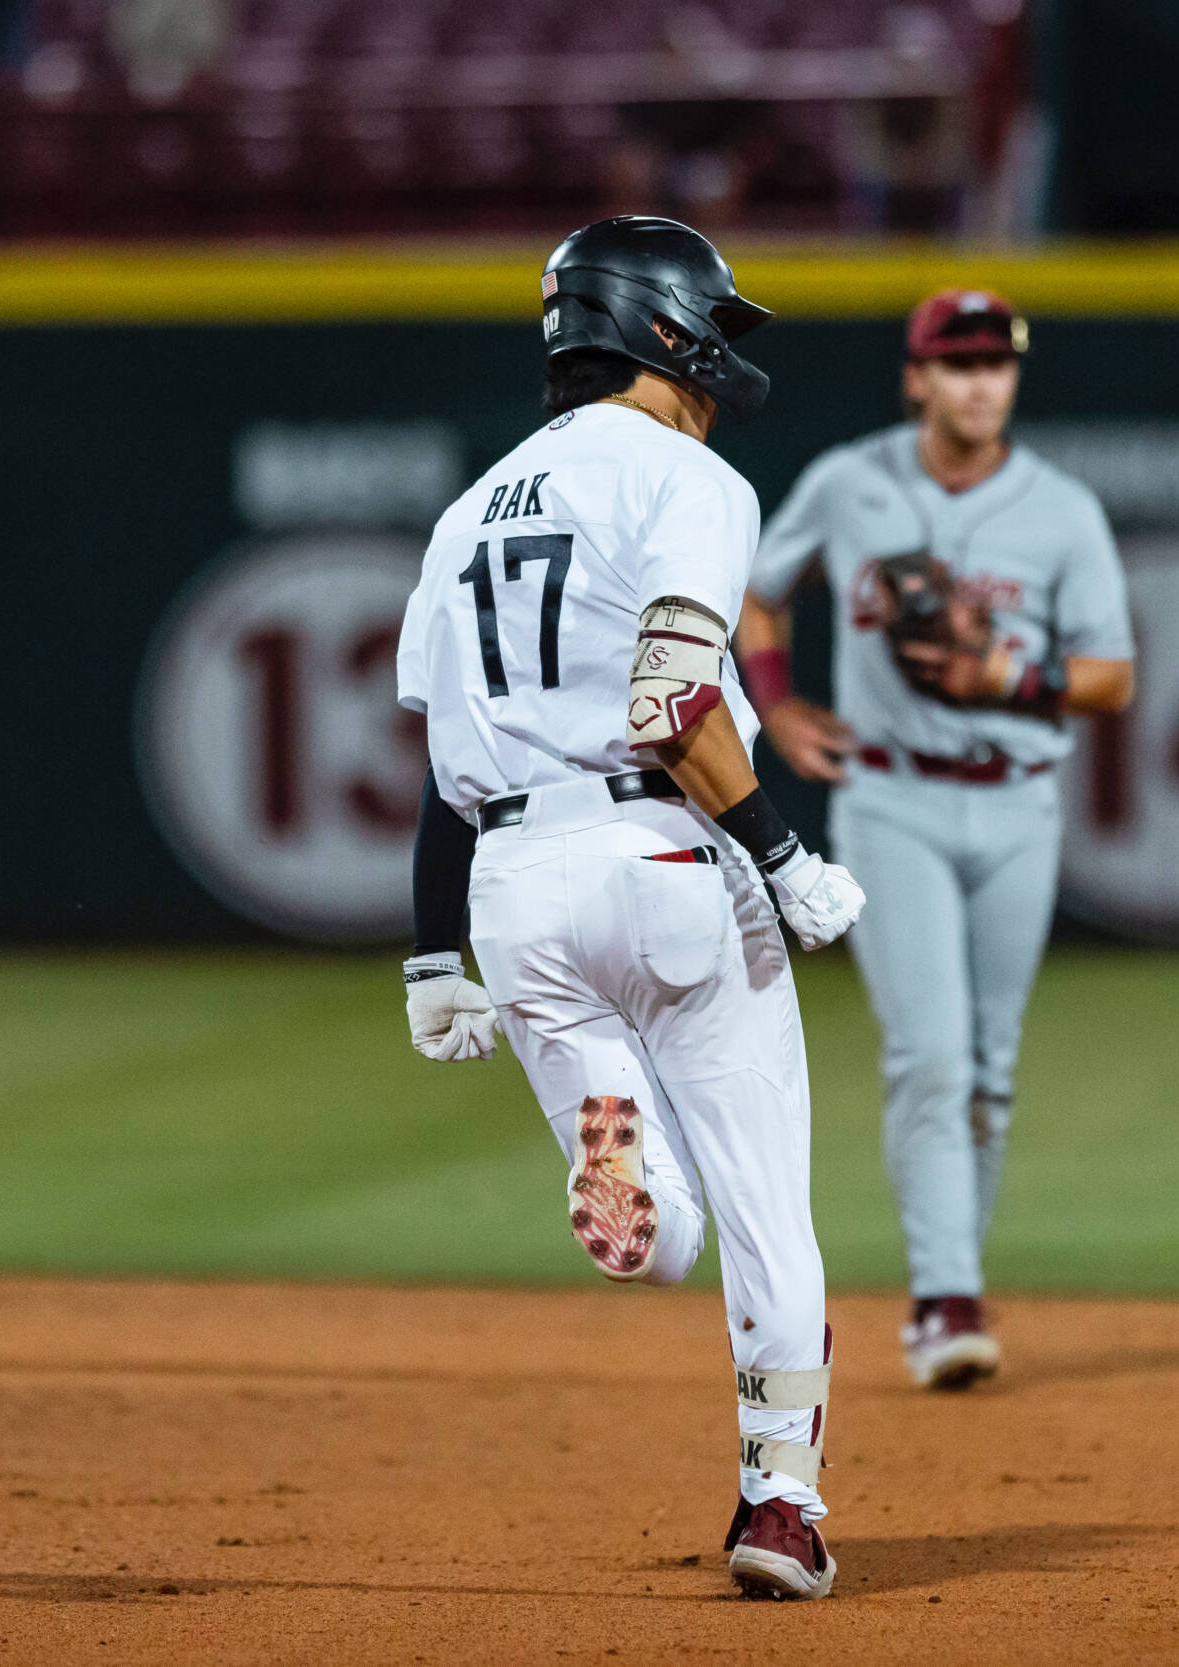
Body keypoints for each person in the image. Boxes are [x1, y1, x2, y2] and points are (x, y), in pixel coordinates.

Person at [394, 217, 866, 1601]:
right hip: (664, 857)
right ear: (664, 328)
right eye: (714, 322)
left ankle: (634, 1187)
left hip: (510, 885)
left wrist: (429, 952)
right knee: (767, 1202)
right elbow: (671, 704)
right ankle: (780, 1504)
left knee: (662, 1235)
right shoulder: (686, 476)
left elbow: (445, 760)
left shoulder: (468, 511)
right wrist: (784, 853)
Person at [737, 289, 1135, 1390]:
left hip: (1017, 801)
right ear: (916, 378)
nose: (979, 382)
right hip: (891, 799)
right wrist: (776, 704)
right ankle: (944, 1300)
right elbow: (758, 597)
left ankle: (951, 1280)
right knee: (932, 1053)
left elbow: (1112, 677)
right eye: (956, 363)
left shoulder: (1061, 510)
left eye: (995, 363)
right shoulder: (849, 482)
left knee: (988, 1069)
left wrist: (1002, 672)